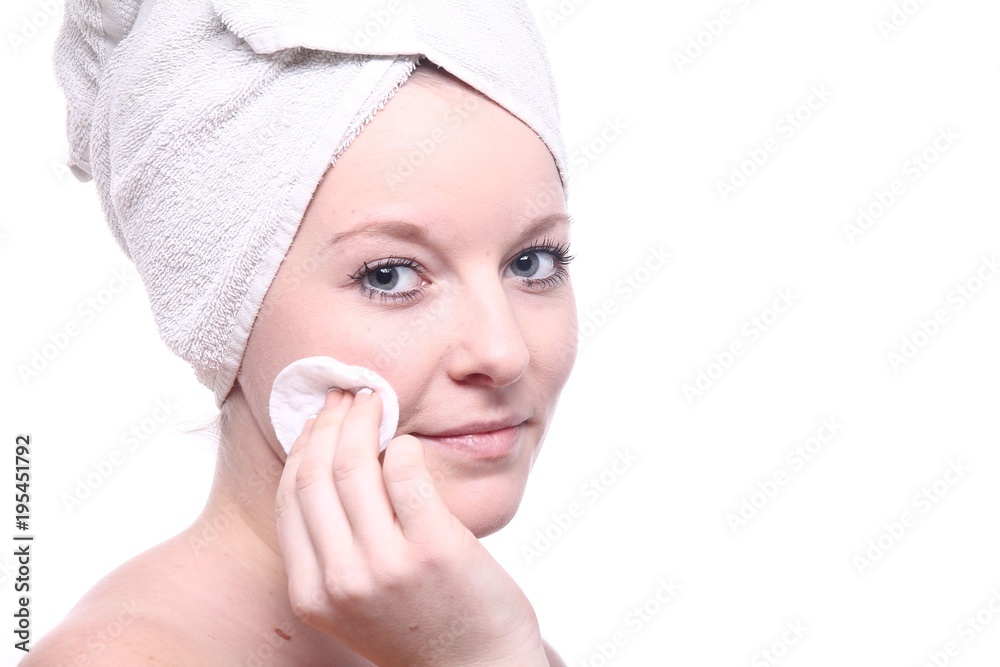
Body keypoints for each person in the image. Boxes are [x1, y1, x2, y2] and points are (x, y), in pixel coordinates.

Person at [31, 1, 576, 665]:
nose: (503, 351)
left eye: (532, 262)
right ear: (218, 311)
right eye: (389, 275)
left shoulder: (482, 632)